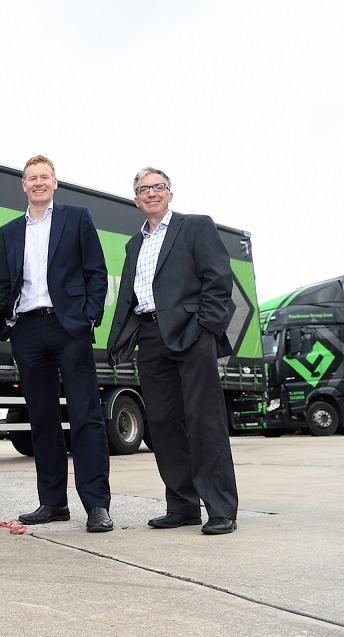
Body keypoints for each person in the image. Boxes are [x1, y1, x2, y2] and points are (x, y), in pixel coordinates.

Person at [107, 167, 238, 535]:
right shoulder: (134, 244)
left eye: (157, 187)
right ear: (135, 199)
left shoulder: (195, 227)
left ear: (169, 192)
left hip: (192, 336)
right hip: (151, 338)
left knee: (204, 421)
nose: (151, 193)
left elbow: (218, 280)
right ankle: (182, 506)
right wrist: (122, 338)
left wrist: (205, 328)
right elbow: (131, 295)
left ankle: (221, 508)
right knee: (163, 424)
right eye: (143, 189)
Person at [0, 155, 113, 532]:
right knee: (41, 418)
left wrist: (89, 316)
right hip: (27, 330)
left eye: (45, 177)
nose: (39, 183)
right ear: (23, 185)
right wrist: (10, 318)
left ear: (55, 183)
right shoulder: (9, 231)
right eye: (32, 178)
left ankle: (96, 505)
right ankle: (53, 502)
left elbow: (96, 271)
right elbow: (6, 282)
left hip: (69, 328)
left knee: (85, 416)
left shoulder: (78, 218)